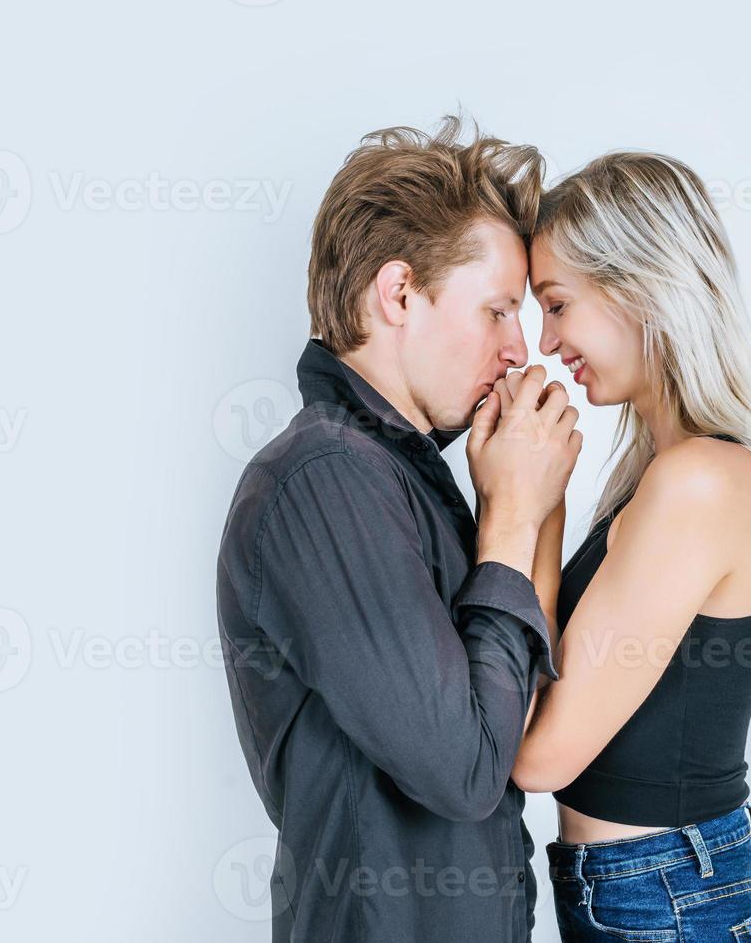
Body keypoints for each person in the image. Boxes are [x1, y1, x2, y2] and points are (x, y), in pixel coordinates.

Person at [216, 116, 581, 942]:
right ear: (400, 294)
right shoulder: (325, 478)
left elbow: (505, 733)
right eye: (495, 311)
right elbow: (463, 770)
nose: (521, 349)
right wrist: (513, 517)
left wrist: (528, 510)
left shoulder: (398, 479)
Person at [508, 152, 751, 941]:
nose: (545, 339)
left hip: (672, 901)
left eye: (558, 304)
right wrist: (537, 505)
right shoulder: (678, 473)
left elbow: (539, 758)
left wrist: (529, 507)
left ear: (638, 285)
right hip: (656, 897)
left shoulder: (700, 482)